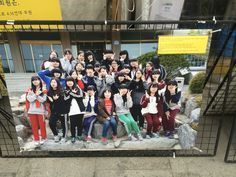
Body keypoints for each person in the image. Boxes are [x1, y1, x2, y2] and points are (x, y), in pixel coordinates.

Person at [26, 76, 47, 146]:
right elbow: (30, 99)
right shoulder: (30, 90)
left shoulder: (44, 89)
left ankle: (43, 138)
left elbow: (43, 100)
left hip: (40, 111)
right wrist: (35, 94)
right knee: (34, 126)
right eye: (33, 80)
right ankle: (36, 139)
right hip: (32, 111)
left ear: (39, 81)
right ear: (32, 82)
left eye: (37, 80)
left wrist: (37, 95)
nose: (35, 81)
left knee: (42, 125)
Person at [47, 78, 70, 143]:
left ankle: (64, 137)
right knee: (51, 123)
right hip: (54, 111)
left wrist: (57, 99)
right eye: (52, 82)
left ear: (58, 83)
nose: (53, 84)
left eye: (54, 82)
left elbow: (66, 101)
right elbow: (50, 101)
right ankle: (56, 135)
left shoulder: (62, 91)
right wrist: (53, 100)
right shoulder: (49, 92)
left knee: (64, 124)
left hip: (63, 111)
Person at [64, 77, 85, 143]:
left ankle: (79, 135)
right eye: (68, 81)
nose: (69, 82)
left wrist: (71, 93)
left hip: (79, 108)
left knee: (79, 123)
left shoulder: (77, 87)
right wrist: (71, 93)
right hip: (71, 109)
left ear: (73, 82)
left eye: (71, 81)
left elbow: (80, 96)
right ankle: (73, 136)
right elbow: (65, 99)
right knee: (72, 124)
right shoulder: (65, 90)